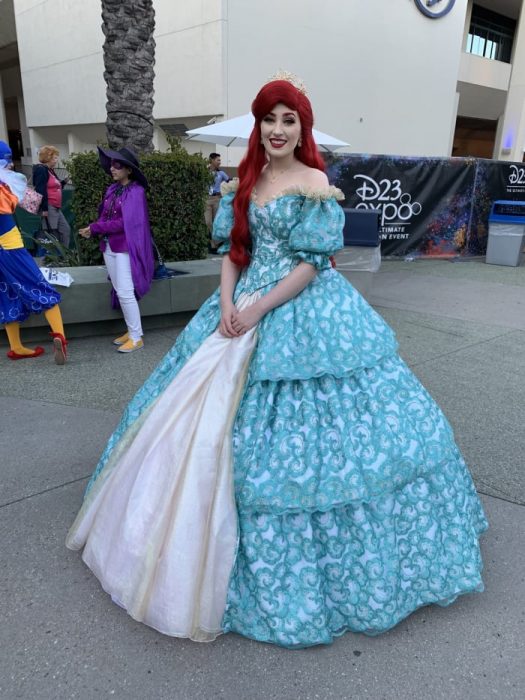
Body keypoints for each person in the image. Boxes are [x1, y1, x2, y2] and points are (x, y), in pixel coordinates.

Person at [66, 75, 487, 648]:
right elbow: (234, 251)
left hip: (298, 309)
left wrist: (256, 308)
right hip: (237, 309)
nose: (279, 129)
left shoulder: (315, 182)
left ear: (302, 128)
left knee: (324, 442)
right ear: (258, 126)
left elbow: (311, 266)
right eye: (270, 119)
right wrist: (223, 304)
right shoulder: (249, 178)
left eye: (289, 120)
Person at [78, 147, 154, 353]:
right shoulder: (112, 189)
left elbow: (124, 223)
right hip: (109, 245)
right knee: (121, 291)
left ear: (129, 170)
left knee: (125, 291)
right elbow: (105, 216)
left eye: (117, 165)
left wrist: (96, 228)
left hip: (125, 248)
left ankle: (137, 337)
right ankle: (131, 332)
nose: (112, 168)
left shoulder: (136, 192)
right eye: (111, 164)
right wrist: (93, 228)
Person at [0, 140, 68, 364]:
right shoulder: (7, 184)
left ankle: (16, 346)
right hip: (10, 246)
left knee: (6, 294)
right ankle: (60, 337)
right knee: (41, 287)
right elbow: (29, 205)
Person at [32, 145, 71, 251]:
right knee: (51, 234)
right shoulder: (41, 170)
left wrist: (64, 181)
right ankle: (51, 257)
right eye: (55, 158)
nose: (56, 160)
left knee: (65, 230)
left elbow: (56, 187)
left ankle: (64, 256)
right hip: (49, 207)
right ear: (48, 158)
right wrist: (44, 209)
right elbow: (40, 190)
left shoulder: (50, 170)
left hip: (55, 207)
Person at [205, 152, 230, 250]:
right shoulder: (205, 172)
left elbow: (229, 181)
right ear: (211, 160)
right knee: (208, 222)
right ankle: (213, 242)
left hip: (217, 199)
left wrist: (223, 193)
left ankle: (214, 245)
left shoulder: (221, 173)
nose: (219, 162)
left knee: (216, 222)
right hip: (206, 199)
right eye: (218, 160)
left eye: (220, 160)